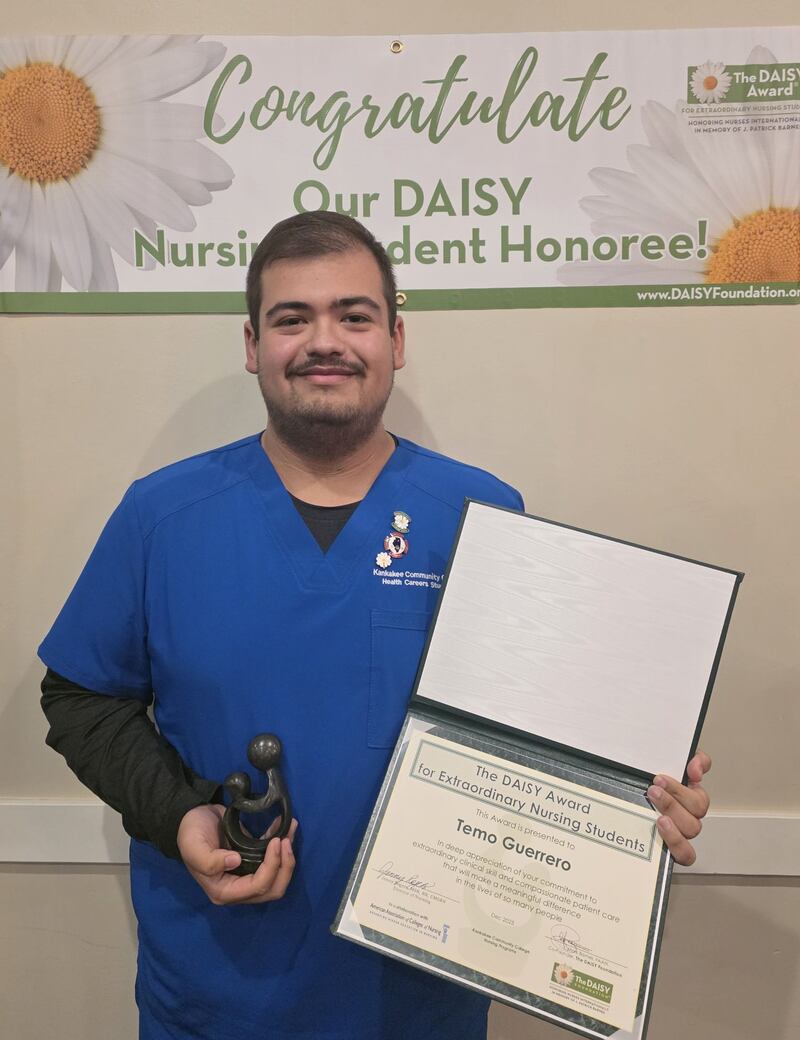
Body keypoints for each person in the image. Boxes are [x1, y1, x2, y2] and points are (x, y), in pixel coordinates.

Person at [39, 211, 712, 1040]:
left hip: (419, 1000)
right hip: (215, 996)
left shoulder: (485, 515)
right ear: (252, 345)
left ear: (397, 337)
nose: (326, 341)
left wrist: (636, 802)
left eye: (354, 316)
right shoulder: (161, 515)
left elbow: (543, 744)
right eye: (293, 319)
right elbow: (79, 699)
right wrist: (178, 814)